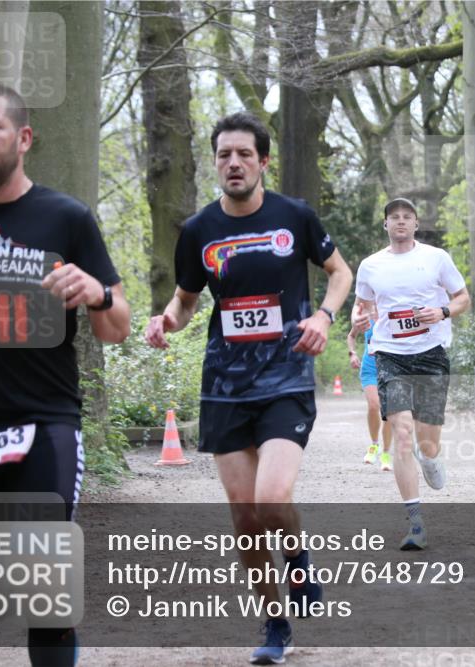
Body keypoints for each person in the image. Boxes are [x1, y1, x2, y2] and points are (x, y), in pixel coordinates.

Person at [0, 81, 131, 666]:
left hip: (45, 424)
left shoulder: (65, 217)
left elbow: (119, 325)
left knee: (45, 596)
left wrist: (94, 293)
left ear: (24, 138)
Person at [144, 112, 352, 665]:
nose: (232, 163)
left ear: (263, 161)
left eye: (243, 154)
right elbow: (186, 301)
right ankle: (275, 622)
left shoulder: (295, 216)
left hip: (284, 378)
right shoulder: (198, 231)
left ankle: (299, 560)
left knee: (271, 497)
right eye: (222, 155)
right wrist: (165, 320)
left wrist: (326, 317)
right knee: (243, 514)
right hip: (225, 384)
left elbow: (340, 272)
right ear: (215, 163)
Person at [354, 197, 470, 550]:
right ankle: (415, 524)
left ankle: (430, 458)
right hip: (390, 355)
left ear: (416, 224)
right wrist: (360, 319)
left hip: (432, 355)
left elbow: (463, 297)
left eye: (407, 217)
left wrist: (443, 312)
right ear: (386, 225)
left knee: (426, 442)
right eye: (394, 217)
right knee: (402, 434)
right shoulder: (371, 265)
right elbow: (364, 305)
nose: (401, 222)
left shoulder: (436, 258)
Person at [346, 304, 392, 471]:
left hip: (391, 368)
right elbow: (351, 336)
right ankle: (374, 446)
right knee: (374, 405)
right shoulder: (365, 315)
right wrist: (353, 354)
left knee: (389, 412)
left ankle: (386, 453)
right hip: (370, 368)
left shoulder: (393, 311)